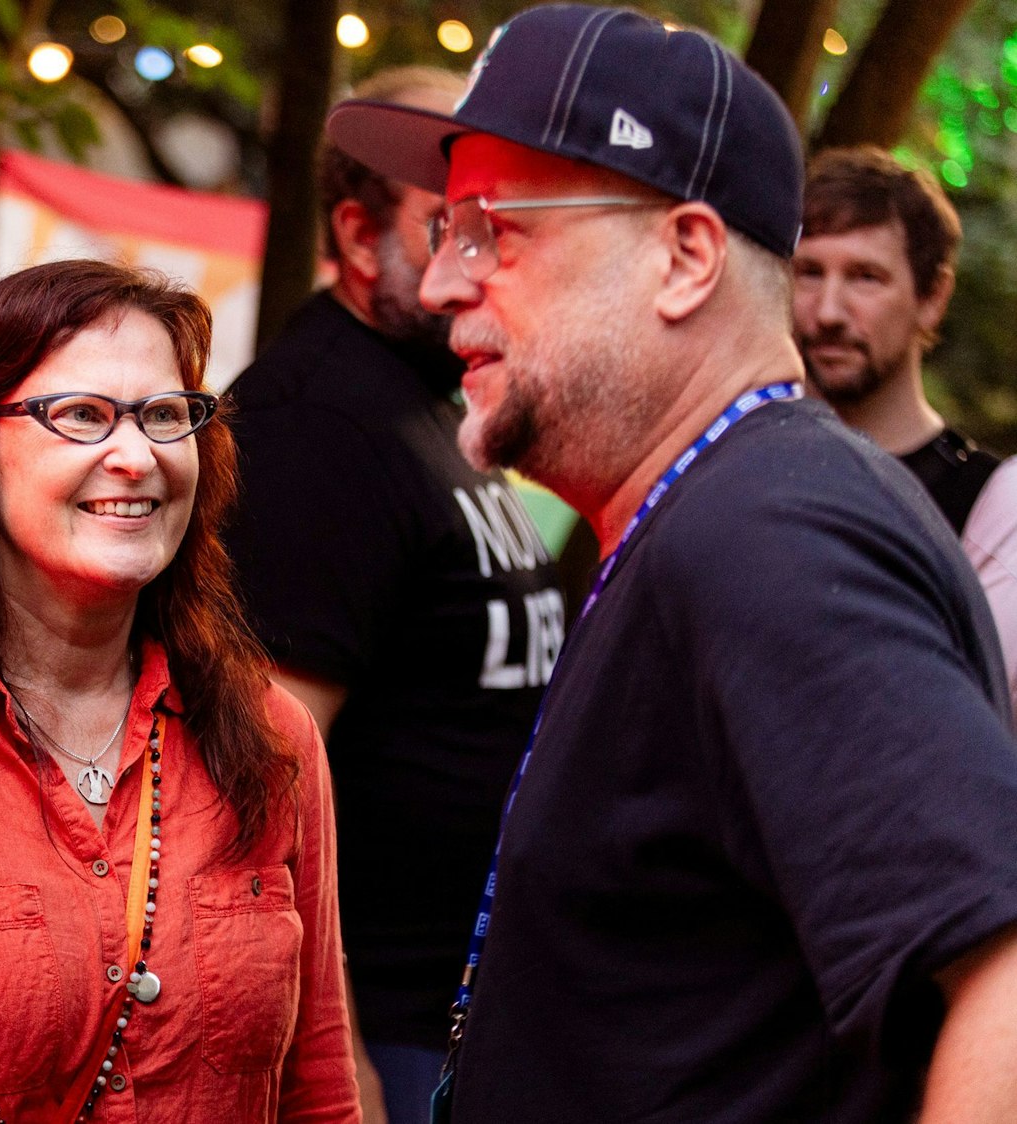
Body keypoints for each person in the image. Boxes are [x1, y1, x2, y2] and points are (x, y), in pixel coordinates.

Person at [328, 5, 1017, 1122]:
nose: (446, 280)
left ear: (686, 257)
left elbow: (1004, 975)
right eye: (447, 230)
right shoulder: (718, 500)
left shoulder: (770, 530)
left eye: (493, 230)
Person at [0, 259, 358, 1122]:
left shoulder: (270, 737)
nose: (136, 456)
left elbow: (317, 1087)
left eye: (165, 416)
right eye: (81, 415)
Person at [225, 65, 559, 1124]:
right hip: (381, 1026)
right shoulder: (317, 424)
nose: (479, 263)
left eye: (498, 229)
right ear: (359, 236)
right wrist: (334, 1050)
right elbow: (260, 769)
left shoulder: (431, 397)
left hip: (462, 1007)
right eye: (444, 229)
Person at [793, 146, 1017, 711]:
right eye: (809, 272)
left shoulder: (995, 507)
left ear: (932, 297)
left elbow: (954, 717)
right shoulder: (735, 472)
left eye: (866, 277)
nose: (828, 312)